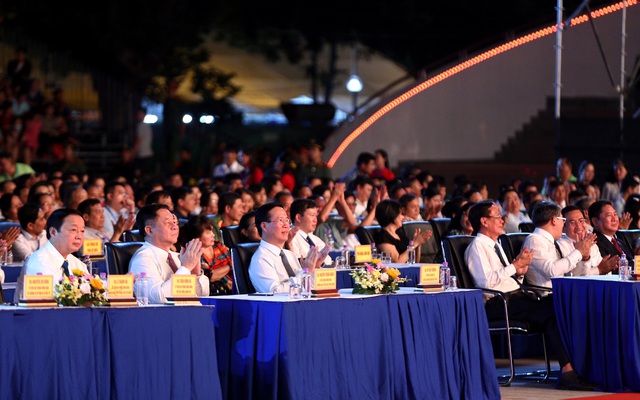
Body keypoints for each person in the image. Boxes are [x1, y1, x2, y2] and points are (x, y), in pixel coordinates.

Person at [464, 200, 598, 391]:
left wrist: (519, 271)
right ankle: (569, 372)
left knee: (562, 309)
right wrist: (514, 267)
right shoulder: (477, 246)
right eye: (497, 216)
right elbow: (485, 283)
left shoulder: (495, 245)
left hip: (517, 297)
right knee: (555, 310)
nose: (503, 220)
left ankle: (572, 371)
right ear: (484, 221)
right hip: (499, 303)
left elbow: (505, 277)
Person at [128, 204, 209, 304]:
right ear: (150, 230)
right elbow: (160, 297)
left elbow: (202, 295)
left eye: (175, 222)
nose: (175, 227)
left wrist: (196, 275)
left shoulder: (177, 256)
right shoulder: (143, 259)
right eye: (168, 223)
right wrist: (186, 268)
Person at [249, 202, 327, 294]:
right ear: (264, 226)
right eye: (280, 220)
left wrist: (313, 268)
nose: (286, 225)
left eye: (287, 220)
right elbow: (274, 292)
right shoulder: (261, 259)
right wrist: (305, 272)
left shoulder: (289, 254)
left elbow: (307, 287)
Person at [14, 208, 88, 302]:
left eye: (82, 231)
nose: (79, 236)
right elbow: (59, 298)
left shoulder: (78, 264)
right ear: (53, 232)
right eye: (73, 230)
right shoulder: (39, 262)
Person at [523, 201, 595, 289]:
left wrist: (584, 258)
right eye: (563, 220)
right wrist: (578, 251)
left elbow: (573, 274)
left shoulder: (548, 241)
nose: (563, 225)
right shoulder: (535, 240)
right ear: (554, 220)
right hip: (547, 297)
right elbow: (552, 271)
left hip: (561, 292)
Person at [556, 205, 618, 275]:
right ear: (563, 227)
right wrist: (598, 269)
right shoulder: (560, 246)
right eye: (572, 223)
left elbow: (606, 271)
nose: (578, 226)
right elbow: (572, 275)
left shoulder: (591, 242)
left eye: (581, 221)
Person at [180, 215, 233, 296]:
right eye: (208, 233)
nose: (213, 235)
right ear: (197, 236)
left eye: (212, 231)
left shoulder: (219, 246)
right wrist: (230, 266)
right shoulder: (193, 254)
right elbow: (210, 276)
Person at [589, 200, 634, 270]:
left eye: (615, 214)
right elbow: (613, 269)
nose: (614, 219)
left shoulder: (620, 240)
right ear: (595, 221)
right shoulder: (594, 242)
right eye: (609, 215)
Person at [289, 198, 333, 265]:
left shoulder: (315, 238)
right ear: (298, 217)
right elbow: (296, 265)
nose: (315, 220)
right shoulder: (291, 238)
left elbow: (329, 262)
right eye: (312, 215)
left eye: (316, 215)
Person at [132, 106, 154, 178]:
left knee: (141, 176)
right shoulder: (147, 125)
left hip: (143, 155)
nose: (137, 115)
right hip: (148, 154)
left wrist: (133, 153)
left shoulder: (141, 125)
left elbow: (138, 140)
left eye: (139, 113)